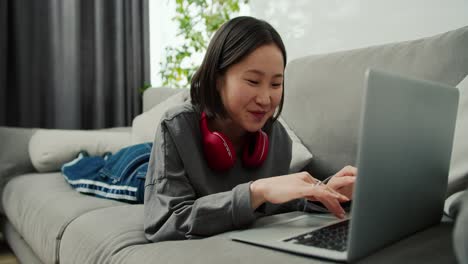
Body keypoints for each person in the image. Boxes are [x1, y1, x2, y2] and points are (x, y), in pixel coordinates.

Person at [143, 16, 357, 243]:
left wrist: (325, 194)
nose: (266, 100)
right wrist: (254, 192)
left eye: (276, 84)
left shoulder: (277, 136)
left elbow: (276, 200)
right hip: (136, 168)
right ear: (217, 79)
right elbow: (164, 222)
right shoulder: (176, 127)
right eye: (253, 81)